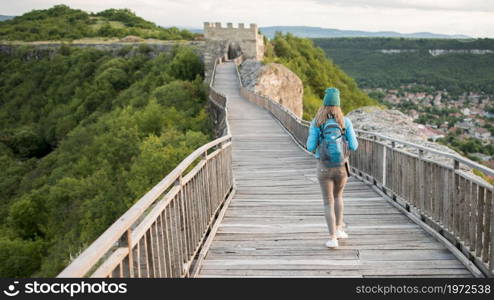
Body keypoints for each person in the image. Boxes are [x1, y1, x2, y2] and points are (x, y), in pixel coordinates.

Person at [306, 87, 358, 248]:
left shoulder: (317, 122)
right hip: (342, 166)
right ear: (338, 104)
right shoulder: (345, 122)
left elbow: (310, 146)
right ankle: (340, 229)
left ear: (324, 103)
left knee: (327, 201)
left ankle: (332, 238)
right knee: (338, 197)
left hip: (324, 167)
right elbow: (354, 146)